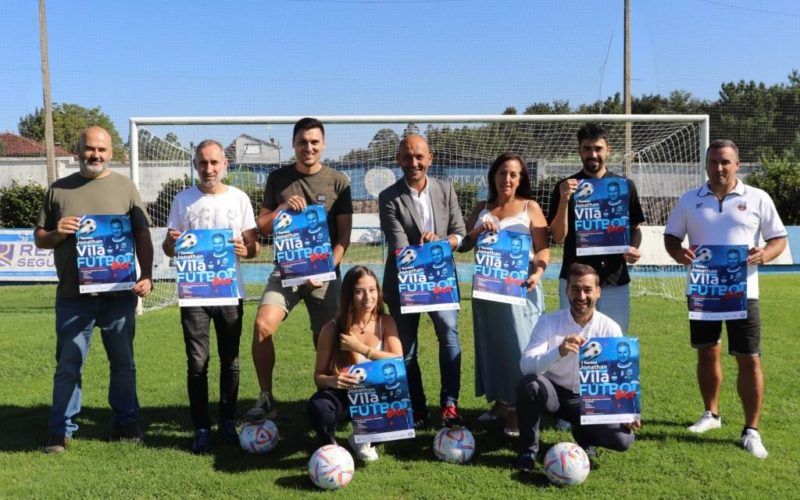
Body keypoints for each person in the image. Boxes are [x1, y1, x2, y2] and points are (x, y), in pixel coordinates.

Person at [664, 139, 787, 459]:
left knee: (749, 358)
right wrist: (679, 253)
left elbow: (778, 239)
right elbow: (671, 236)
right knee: (707, 354)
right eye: (713, 162)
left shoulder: (758, 198)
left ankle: (751, 430)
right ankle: (711, 414)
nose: (719, 167)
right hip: (704, 289)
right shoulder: (690, 199)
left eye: (725, 162)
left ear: (738, 164)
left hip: (744, 293)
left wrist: (765, 253)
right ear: (705, 164)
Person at [34, 126, 154, 454]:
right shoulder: (59, 189)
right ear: (78, 149)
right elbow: (40, 238)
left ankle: (127, 422)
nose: (95, 155)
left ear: (111, 152)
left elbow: (142, 235)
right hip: (74, 297)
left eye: (101, 150)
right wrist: (57, 232)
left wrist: (148, 274)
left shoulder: (125, 187)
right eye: (89, 149)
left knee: (124, 363)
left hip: (118, 295)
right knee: (69, 364)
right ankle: (60, 430)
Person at [247, 118, 353, 421]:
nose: (309, 147)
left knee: (328, 338)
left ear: (323, 144)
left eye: (314, 142)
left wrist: (325, 268)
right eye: (303, 142)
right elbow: (262, 227)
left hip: (323, 275)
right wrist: (281, 209)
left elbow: (344, 237)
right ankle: (266, 397)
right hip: (286, 271)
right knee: (262, 326)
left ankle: (332, 397)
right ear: (294, 144)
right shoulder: (278, 178)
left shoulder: (338, 181)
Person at [163, 139, 259, 453]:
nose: (209, 169)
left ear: (225, 165)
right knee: (197, 363)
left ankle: (228, 421)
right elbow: (169, 247)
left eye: (215, 163)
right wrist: (172, 244)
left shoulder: (240, 198)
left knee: (230, 361)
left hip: (230, 292)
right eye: (203, 163)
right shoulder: (183, 200)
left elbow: (254, 246)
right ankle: (202, 427)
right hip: (194, 294)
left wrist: (247, 249)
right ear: (195, 165)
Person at [378, 134, 467, 428]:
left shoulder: (446, 189)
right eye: (407, 157)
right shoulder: (388, 197)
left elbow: (460, 234)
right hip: (405, 284)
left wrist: (441, 242)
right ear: (398, 160)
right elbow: (399, 245)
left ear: (430, 158)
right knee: (407, 349)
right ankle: (417, 407)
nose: (413, 162)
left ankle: (449, 404)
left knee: (450, 338)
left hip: (441, 282)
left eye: (419, 157)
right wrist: (424, 247)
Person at [514, 263, 639, 471]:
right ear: (567, 291)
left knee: (623, 440)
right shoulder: (549, 322)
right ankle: (528, 451)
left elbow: (621, 378)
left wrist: (628, 412)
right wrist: (558, 351)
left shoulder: (610, 328)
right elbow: (526, 365)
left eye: (587, 290)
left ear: (598, 292)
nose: (581, 296)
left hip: (589, 401)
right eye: (575, 289)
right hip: (552, 393)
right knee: (529, 385)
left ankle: (583, 434)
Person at [460, 152, 550, 437]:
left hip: (521, 289)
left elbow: (544, 248)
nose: (507, 179)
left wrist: (537, 273)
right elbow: (463, 244)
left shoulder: (530, 207)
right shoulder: (481, 207)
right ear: (493, 176)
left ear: (521, 179)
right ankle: (500, 401)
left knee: (520, 347)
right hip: (488, 292)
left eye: (513, 174)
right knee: (493, 346)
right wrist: (476, 230)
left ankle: (517, 409)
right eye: (502, 173)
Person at [548, 123, 644, 335]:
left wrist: (633, 248)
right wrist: (564, 200)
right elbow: (558, 237)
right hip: (575, 279)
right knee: (571, 338)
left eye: (598, 148)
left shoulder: (624, 185)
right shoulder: (565, 186)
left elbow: (635, 229)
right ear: (579, 151)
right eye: (587, 148)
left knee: (613, 338)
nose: (593, 154)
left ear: (608, 150)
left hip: (614, 278)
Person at [308, 266, 402, 462]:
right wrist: (334, 380)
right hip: (345, 394)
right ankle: (332, 448)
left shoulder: (386, 322)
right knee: (320, 407)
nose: (368, 297)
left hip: (375, 393)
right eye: (359, 291)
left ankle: (363, 437)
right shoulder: (332, 328)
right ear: (349, 295)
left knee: (399, 405)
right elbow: (318, 377)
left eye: (372, 289)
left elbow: (397, 359)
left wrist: (361, 348)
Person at [105, 217, 135, 282]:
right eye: (114, 228)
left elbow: (127, 262)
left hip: (124, 277)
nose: (116, 231)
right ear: (111, 229)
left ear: (122, 228)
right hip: (110, 276)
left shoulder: (128, 241)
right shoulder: (107, 242)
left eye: (118, 228)